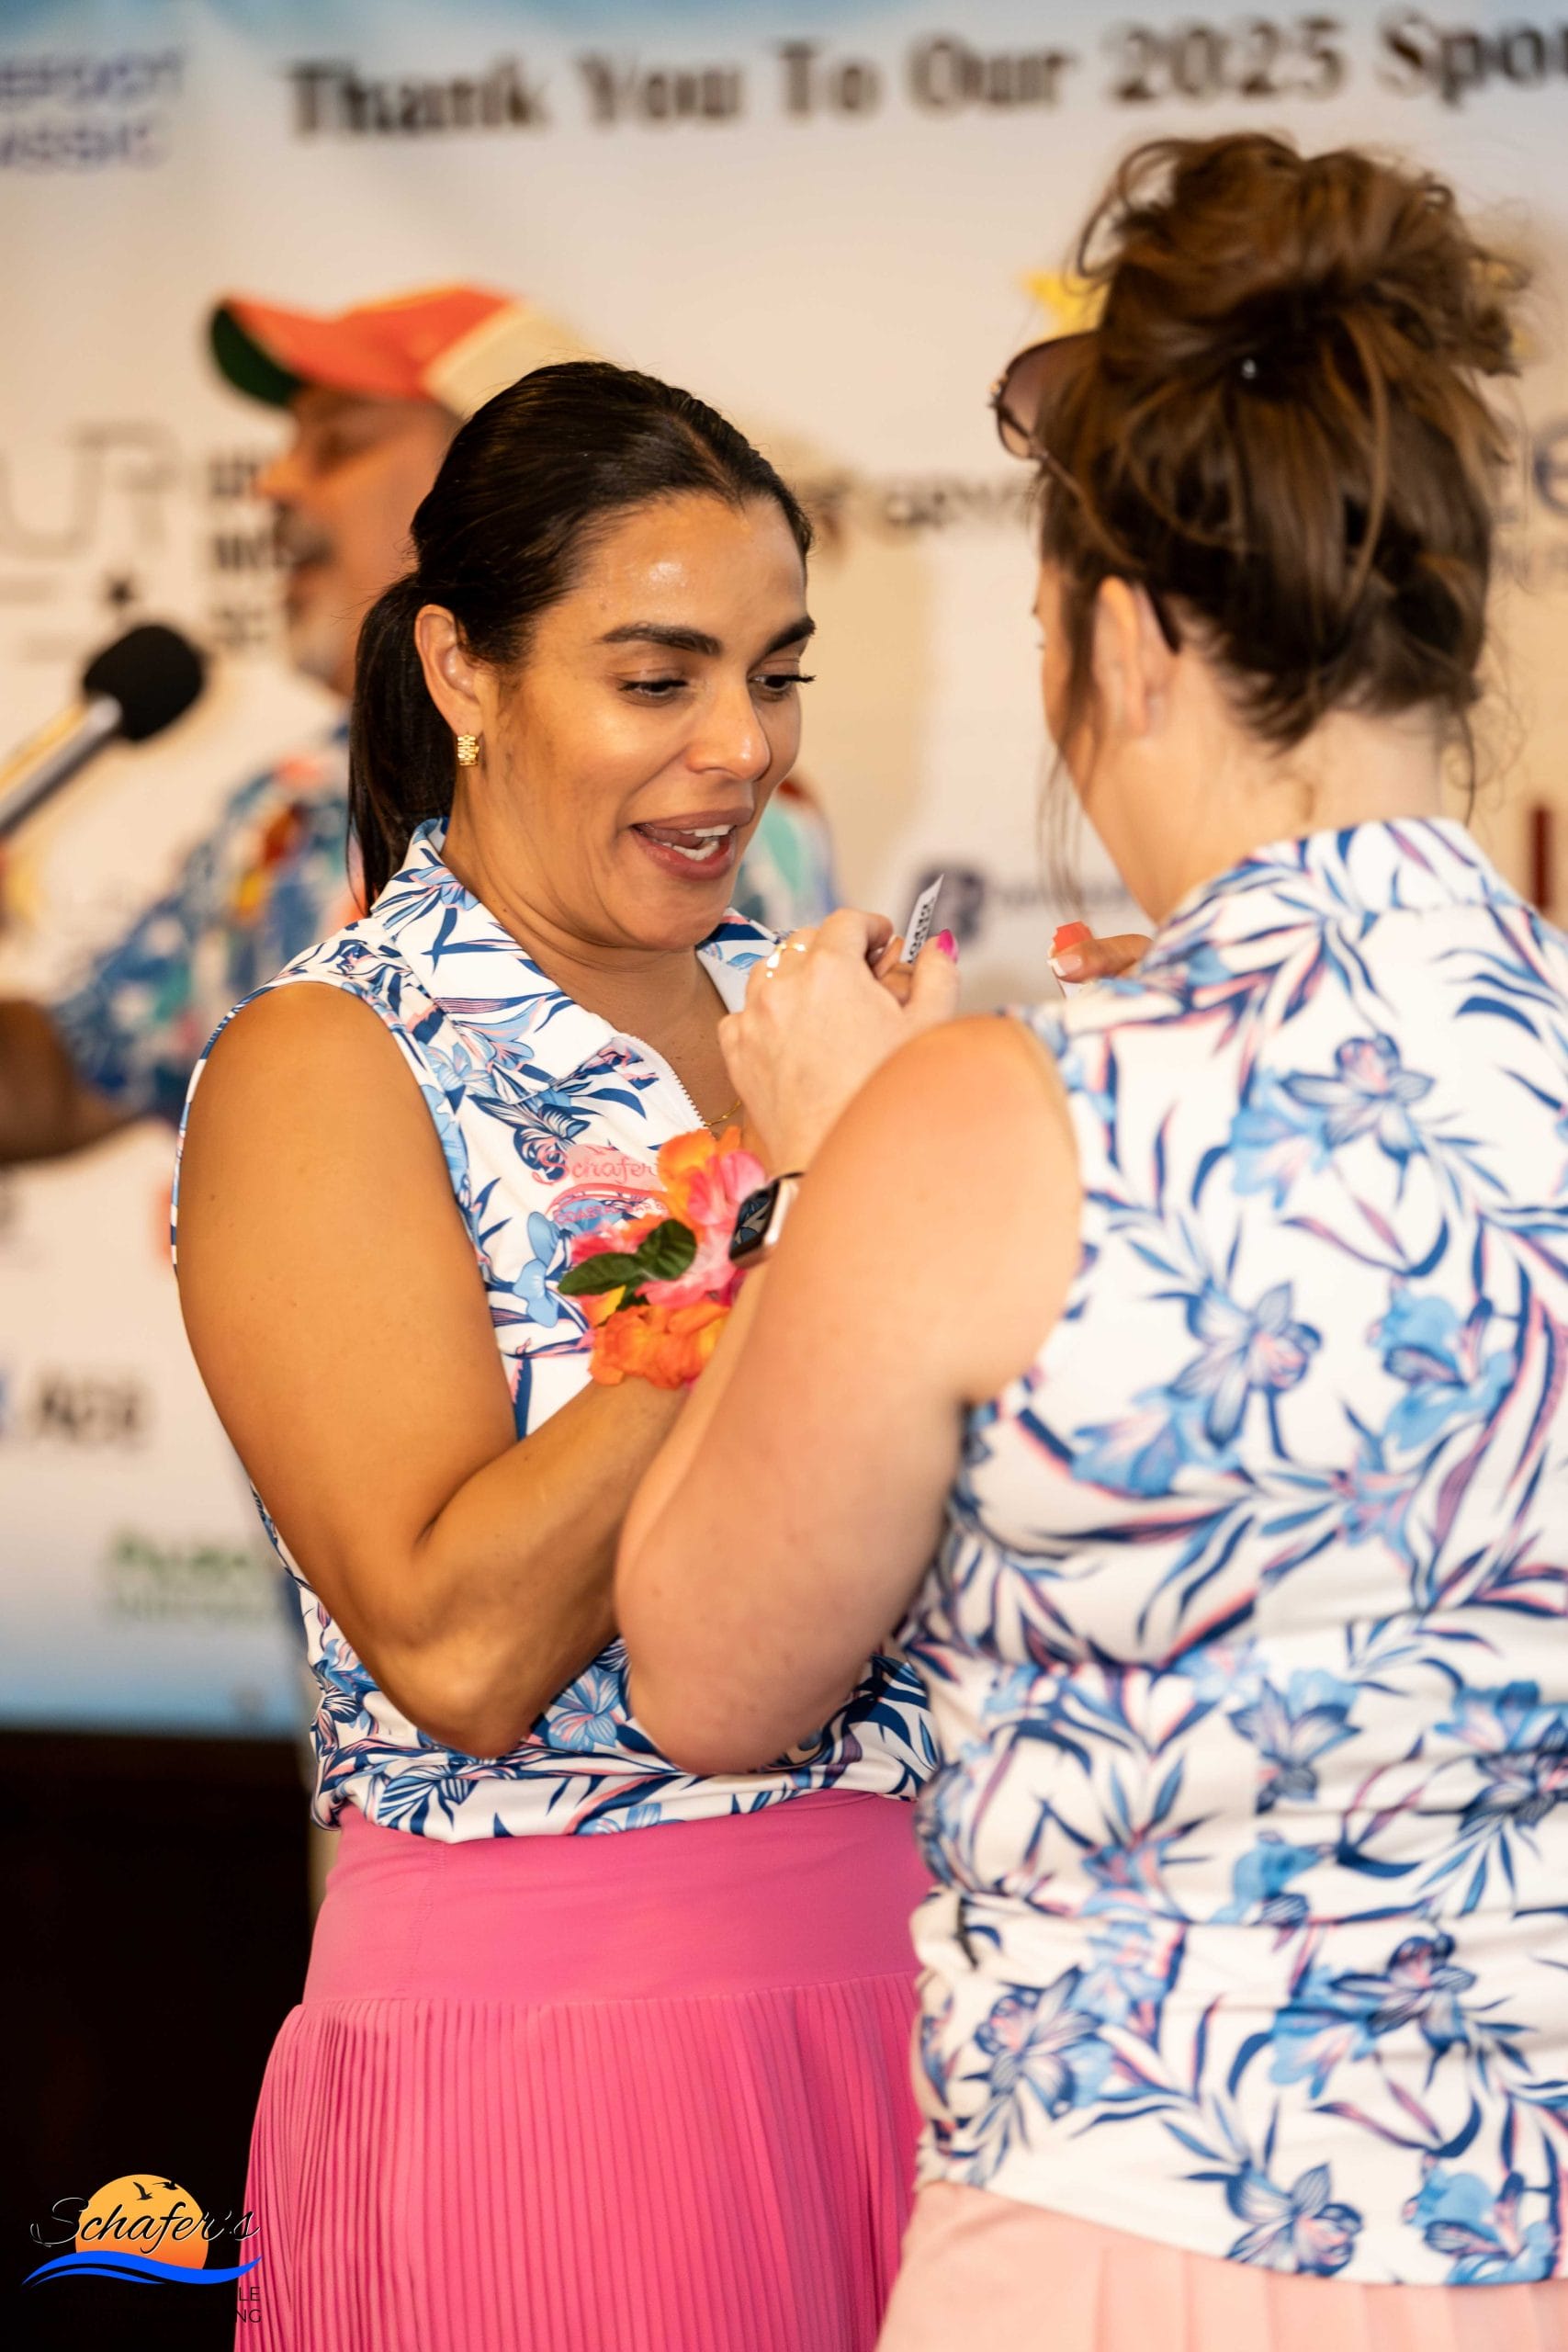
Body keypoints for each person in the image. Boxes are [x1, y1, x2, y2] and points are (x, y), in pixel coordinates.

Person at [617, 133, 1568, 2349]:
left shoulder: (993, 1123)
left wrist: (816, 1180)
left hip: (1122, 2244)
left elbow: (708, 1673)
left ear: (1124, 643)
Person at [174, 360, 951, 2352]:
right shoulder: (328, 1058)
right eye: (658, 677)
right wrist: (781, 1214)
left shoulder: (814, 1023)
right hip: (576, 2061)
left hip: (953, 2034)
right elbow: (453, 1646)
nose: (739, 749)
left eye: (773, 675)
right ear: (464, 670)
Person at [0, 286, 838, 1164]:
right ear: (452, 664)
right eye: (658, 683)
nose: (273, 483)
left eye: (336, 445)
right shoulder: (286, 816)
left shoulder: (713, 822)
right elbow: (74, 1073)